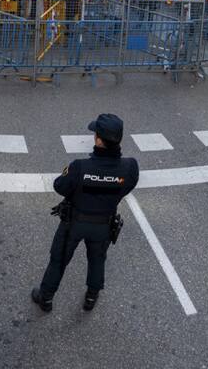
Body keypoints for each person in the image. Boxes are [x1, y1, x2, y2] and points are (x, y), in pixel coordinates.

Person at [32, 113, 139, 313]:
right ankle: (91, 297)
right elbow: (128, 186)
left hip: (74, 223)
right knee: (98, 259)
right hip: (104, 225)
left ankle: (45, 298)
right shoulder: (130, 167)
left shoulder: (79, 167)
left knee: (59, 260)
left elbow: (60, 186)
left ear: (98, 140)